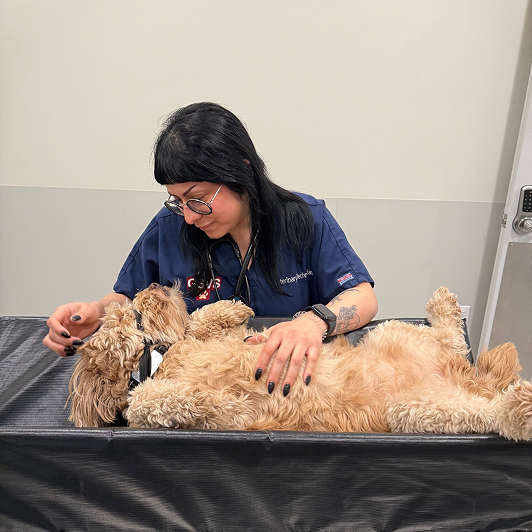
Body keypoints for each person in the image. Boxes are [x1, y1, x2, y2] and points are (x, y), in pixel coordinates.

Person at [43, 102, 378, 397]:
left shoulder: (305, 220)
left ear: (241, 171)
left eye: (198, 199)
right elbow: (129, 297)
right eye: (178, 201)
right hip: (200, 397)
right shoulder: (168, 227)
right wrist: (94, 313)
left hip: (290, 396)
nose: (188, 216)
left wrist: (312, 323)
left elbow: (361, 296)